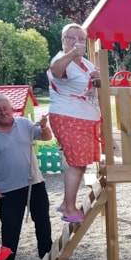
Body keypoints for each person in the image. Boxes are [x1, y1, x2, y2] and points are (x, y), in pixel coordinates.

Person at [0, 94, 53, 260]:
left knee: (42, 220)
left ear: (12, 110)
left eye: (5, 109)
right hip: (8, 188)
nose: (3, 113)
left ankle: (47, 255)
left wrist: (44, 126)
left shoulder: (24, 124)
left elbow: (46, 137)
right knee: (10, 226)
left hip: (34, 183)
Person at [47, 23, 101, 223]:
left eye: (81, 39)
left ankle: (66, 204)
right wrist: (71, 53)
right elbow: (55, 70)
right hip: (68, 118)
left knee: (81, 164)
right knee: (77, 164)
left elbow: (92, 90)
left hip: (85, 120)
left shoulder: (86, 64)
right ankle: (69, 208)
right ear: (63, 40)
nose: (77, 42)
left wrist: (97, 78)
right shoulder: (62, 60)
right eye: (71, 38)